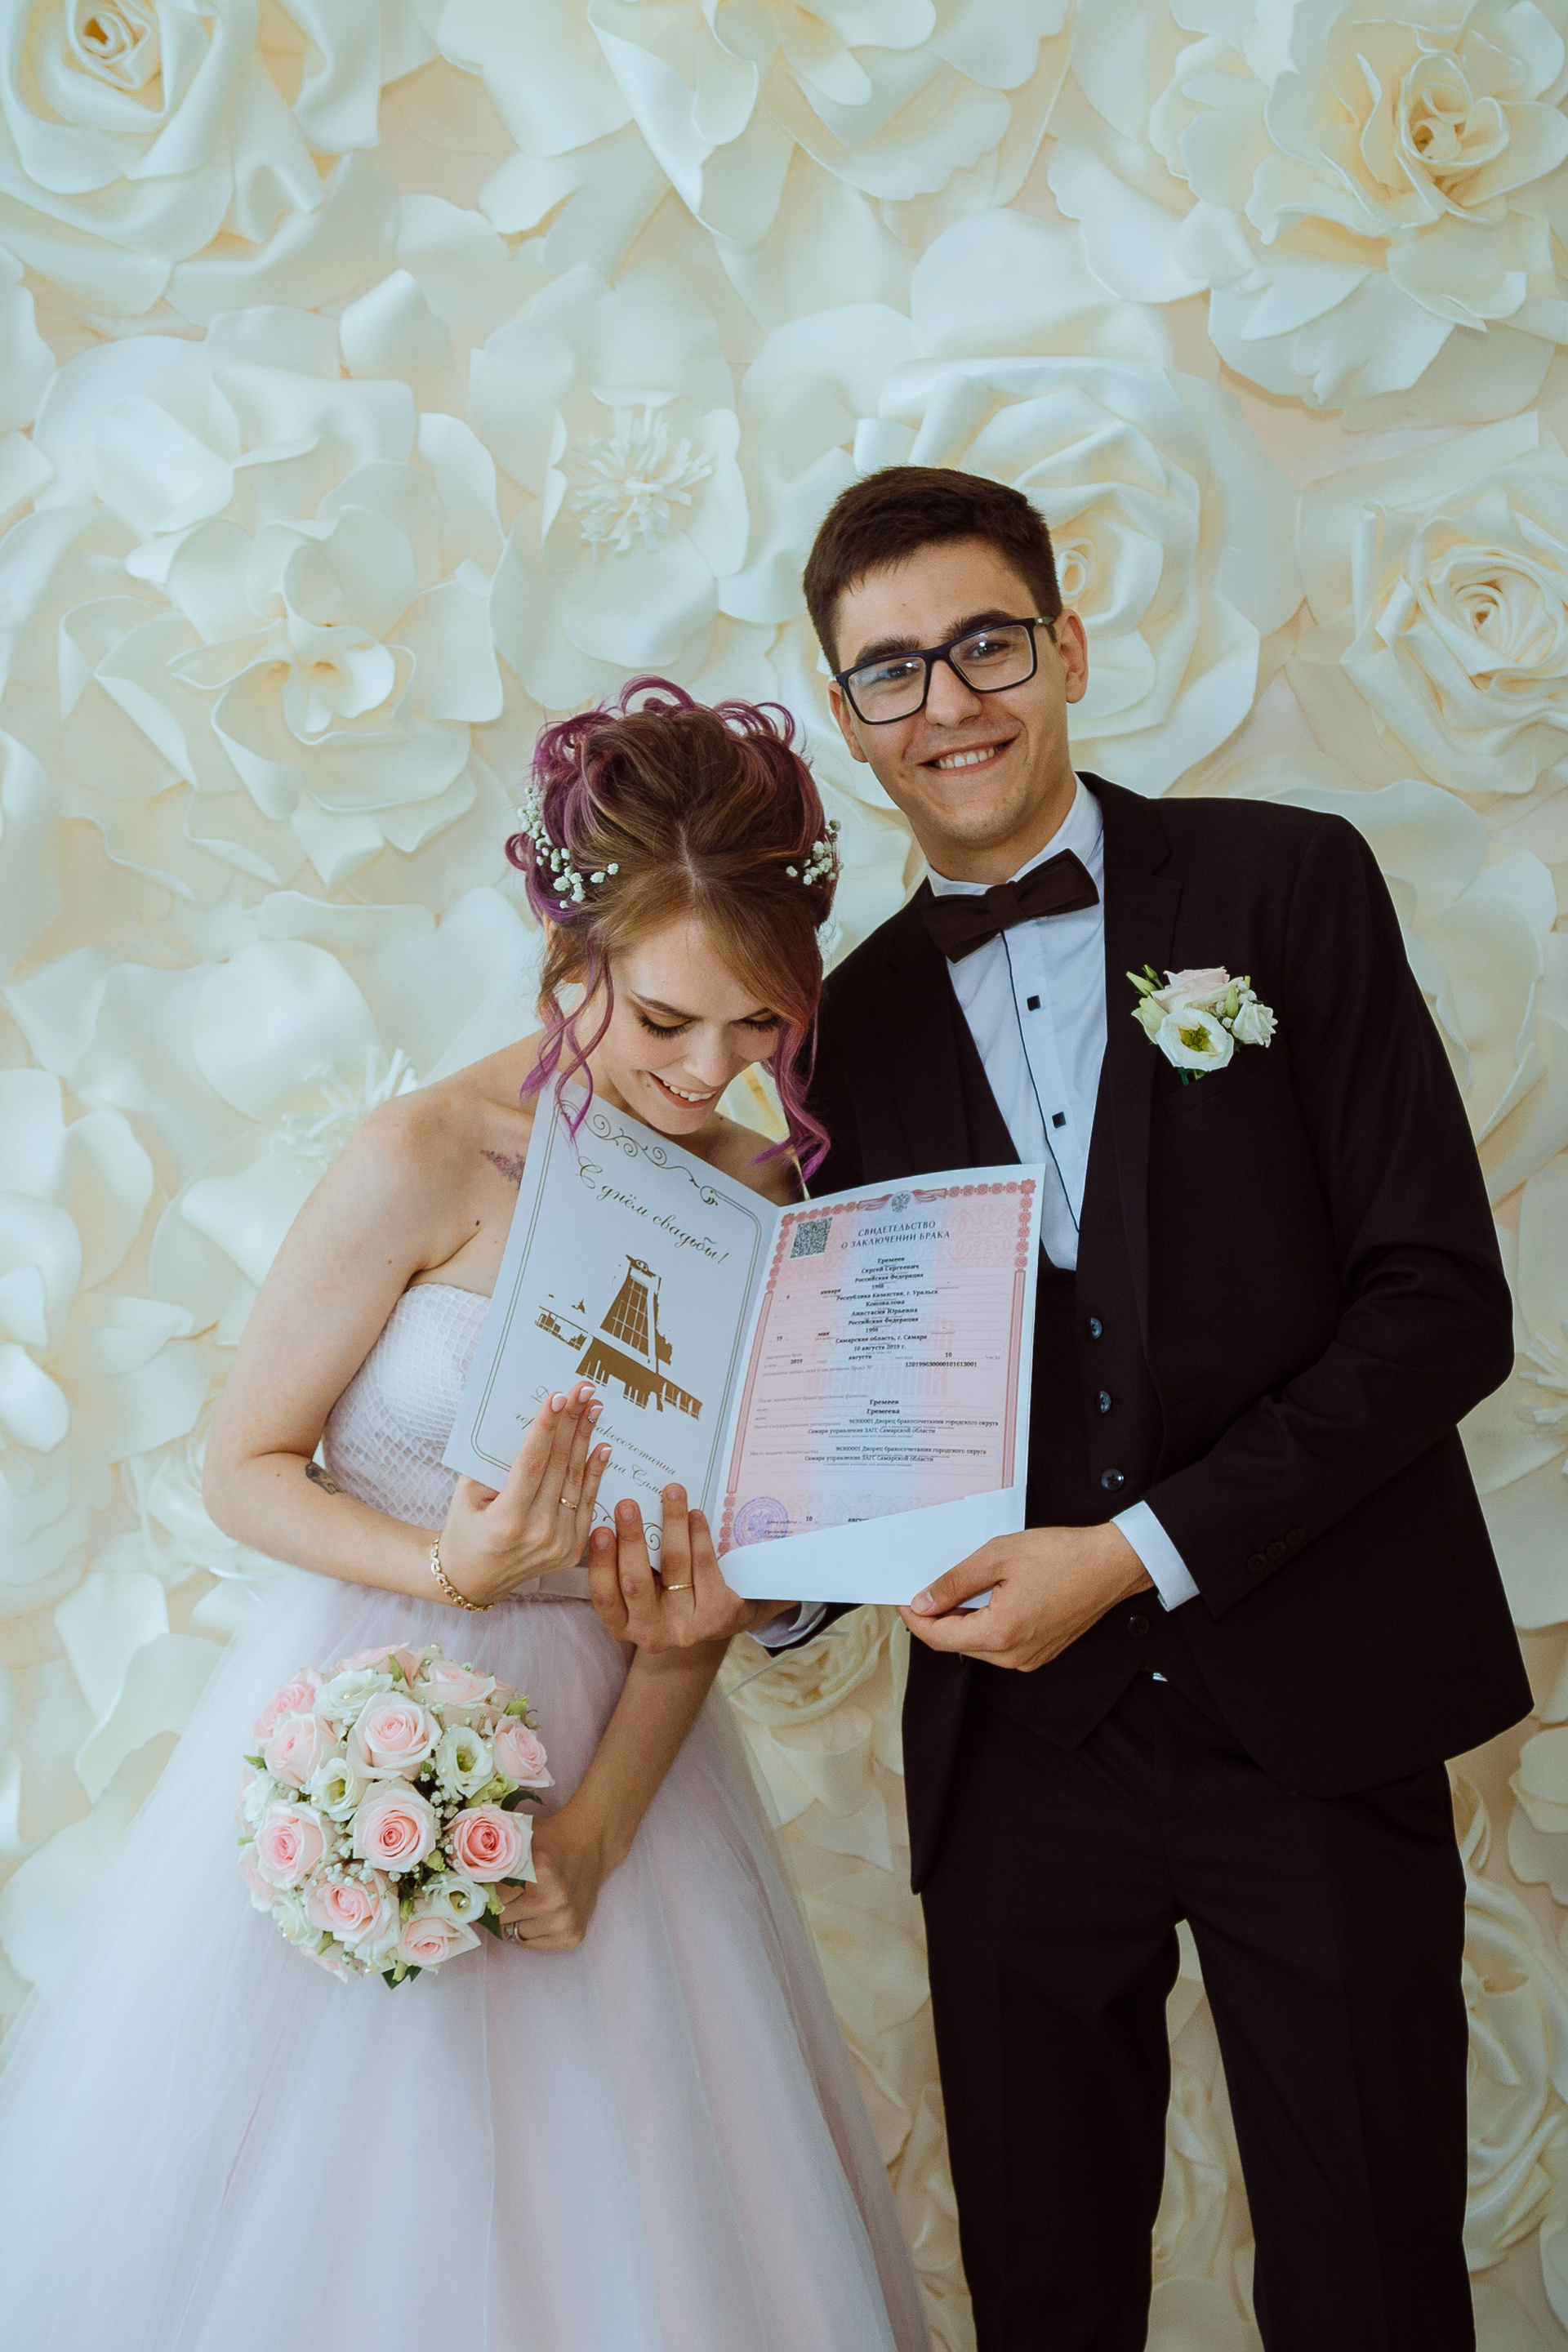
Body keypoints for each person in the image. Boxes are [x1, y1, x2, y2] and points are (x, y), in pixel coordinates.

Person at [590, 474, 1532, 2351]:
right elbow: (862, 1392)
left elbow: (1440, 1309)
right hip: (1019, 1759)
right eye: (891, 671)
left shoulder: (1288, 884)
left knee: (1372, 2282)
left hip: (1318, 1710)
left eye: (986, 644)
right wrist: (766, 1582)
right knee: (1043, 2292)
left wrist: (1129, 1554)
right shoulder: (829, 1028)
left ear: (1068, 644)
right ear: (846, 713)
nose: (947, 702)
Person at [0, 680, 930, 2352]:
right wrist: (452, 1563)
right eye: (667, 1020)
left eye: (756, 1031)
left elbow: (705, 1578)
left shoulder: (758, 1194)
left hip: (629, 1768)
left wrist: (597, 1836)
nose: (709, 1074)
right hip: (364, 1714)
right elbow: (243, 1465)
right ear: (569, 951)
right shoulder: (424, 1156)